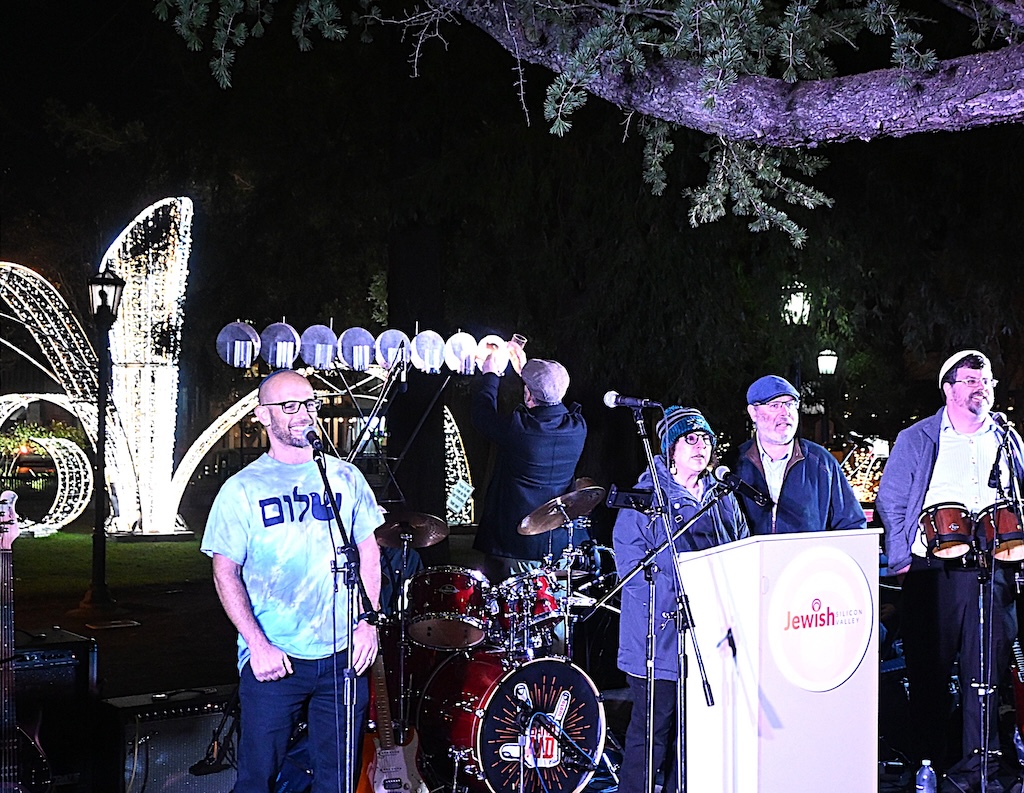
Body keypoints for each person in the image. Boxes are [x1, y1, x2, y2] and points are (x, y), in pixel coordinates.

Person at [201, 369, 383, 793]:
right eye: (289, 406)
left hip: (341, 656)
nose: (303, 414)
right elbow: (225, 571)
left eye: (309, 403)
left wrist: (368, 621)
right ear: (263, 416)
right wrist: (257, 645)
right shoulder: (241, 489)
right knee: (256, 779)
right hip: (274, 659)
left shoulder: (344, 477)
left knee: (336, 780)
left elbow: (369, 552)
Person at [877, 350, 1024, 793]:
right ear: (949, 389)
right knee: (930, 673)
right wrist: (903, 558)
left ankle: (981, 765)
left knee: (990, 672)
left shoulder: (1008, 438)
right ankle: (929, 764)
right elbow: (891, 500)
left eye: (988, 381)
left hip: (993, 569)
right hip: (932, 573)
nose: (983, 388)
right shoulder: (918, 438)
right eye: (972, 381)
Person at [613, 406, 749, 793]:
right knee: (652, 734)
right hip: (658, 638)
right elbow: (633, 571)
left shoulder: (723, 497)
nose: (700, 445)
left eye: (706, 438)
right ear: (670, 449)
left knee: (693, 738)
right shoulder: (643, 499)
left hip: (710, 639)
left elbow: (739, 549)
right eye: (690, 438)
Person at [471, 353, 587, 583]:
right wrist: (527, 371)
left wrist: (490, 374)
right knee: (552, 612)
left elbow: (482, 414)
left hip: (515, 545)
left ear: (528, 395)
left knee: (508, 615)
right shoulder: (578, 427)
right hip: (558, 545)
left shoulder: (519, 429)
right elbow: (546, 392)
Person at [734, 374, 866, 533]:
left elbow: (852, 524)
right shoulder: (734, 464)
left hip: (809, 557)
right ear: (753, 412)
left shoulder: (821, 463)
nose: (785, 412)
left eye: (790, 404)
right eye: (775, 405)